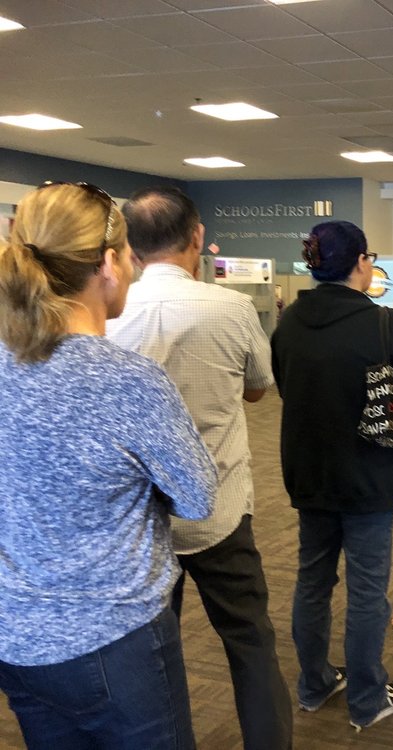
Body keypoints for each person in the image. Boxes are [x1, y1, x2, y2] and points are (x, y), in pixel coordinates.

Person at [0, 182, 216, 749]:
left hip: (16, 637)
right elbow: (198, 498)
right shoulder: (128, 381)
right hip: (114, 638)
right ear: (107, 265)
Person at [106, 186, 292, 747]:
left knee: (154, 654)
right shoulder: (231, 307)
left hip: (141, 520)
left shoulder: (105, 317)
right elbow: (258, 389)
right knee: (250, 641)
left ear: (130, 247)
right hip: (219, 512)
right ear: (197, 237)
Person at [271, 221, 393, 730]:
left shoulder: (289, 323)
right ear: (360, 262)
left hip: (309, 475)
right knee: (367, 591)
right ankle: (367, 699)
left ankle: (314, 684)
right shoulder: (386, 325)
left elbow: (286, 388)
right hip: (371, 477)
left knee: (313, 581)